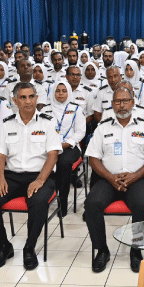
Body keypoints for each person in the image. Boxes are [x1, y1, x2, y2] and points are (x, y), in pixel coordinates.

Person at [0, 82, 60, 271]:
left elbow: (53, 155)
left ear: (37, 98)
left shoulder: (48, 122)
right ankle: (3, 245)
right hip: (12, 176)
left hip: (40, 175)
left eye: (31, 96)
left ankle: (29, 247)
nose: (28, 101)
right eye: (23, 97)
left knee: (38, 201)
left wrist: (40, 180)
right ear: (15, 101)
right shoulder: (7, 124)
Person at [85, 87, 144, 273]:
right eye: (118, 101)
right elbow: (93, 158)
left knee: (142, 205)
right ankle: (102, 250)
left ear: (133, 103)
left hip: (136, 178)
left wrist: (135, 175)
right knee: (91, 204)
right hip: (108, 179)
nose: (122, 105)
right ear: (112, 104)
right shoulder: (102, 128)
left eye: (125, 101)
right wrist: (110, 177)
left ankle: (135, 250)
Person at [40, 80, 86, 217]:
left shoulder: (76, 109)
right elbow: (40, 130)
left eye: (64, 91)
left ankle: (63, 202)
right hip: (49, 146)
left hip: (69, 147)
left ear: (69, 92)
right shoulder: (45, 109)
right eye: (58, 91)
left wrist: (66, 144)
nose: (60, 94)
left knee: (63, 163)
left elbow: (80, 132)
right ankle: (41, 199)